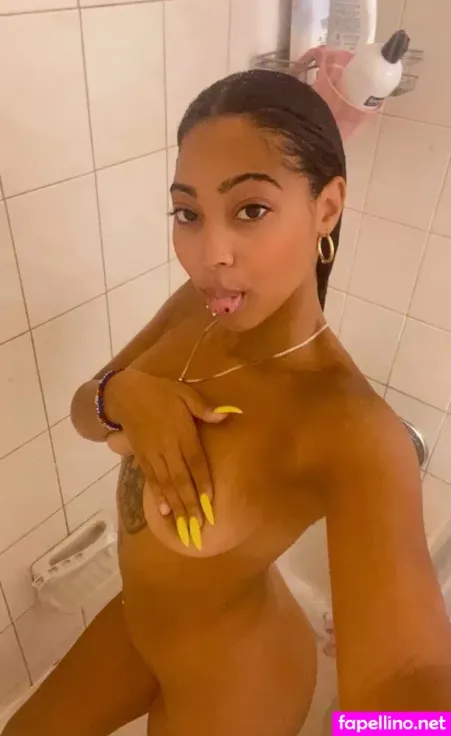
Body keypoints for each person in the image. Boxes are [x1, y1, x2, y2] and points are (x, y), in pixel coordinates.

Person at [5, 69, 451, 736]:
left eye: (250, 210)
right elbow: (83, 411)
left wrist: (395, 727)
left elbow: (404, 678)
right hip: (135, 623)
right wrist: (123, 394)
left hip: (235, 685)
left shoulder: (349, 426)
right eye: (188, 214)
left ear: (326, 208)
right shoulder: (198, 310)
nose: (209, 255)